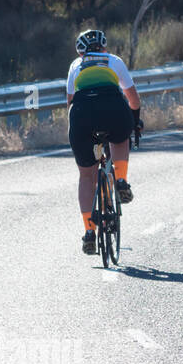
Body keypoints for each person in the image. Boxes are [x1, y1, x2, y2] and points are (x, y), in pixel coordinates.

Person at [66, 29, 144, 255]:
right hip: (113, 108)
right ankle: (120, 180)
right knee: (120, 139)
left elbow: (69, 103)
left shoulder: (74, 66)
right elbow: (134, 99)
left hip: (81, 115)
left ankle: (89, 233)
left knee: (86, 176)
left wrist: (75, 131)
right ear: (104, 47)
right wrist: (135, 122)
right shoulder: (114, 61)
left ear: (80, 52)